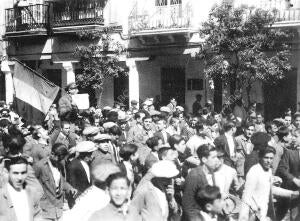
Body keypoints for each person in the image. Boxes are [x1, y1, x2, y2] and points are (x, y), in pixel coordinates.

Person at [239, 146, 299, 221]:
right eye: (266, 158)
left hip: (264, 213)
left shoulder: (268, 171)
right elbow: (246, 196)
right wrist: (243, 218)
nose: (269, 161)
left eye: (271, 158)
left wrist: (293, 193)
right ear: (260, 157)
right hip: (254, 214)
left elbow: (271, 189)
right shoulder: (254, 172)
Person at [34, 143, 77, 221]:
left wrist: (70, 188)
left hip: (58, 207)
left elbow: (62, 181)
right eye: (58, 158)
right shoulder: (40, 166)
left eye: (62, 159)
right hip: (45, 208)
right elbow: (32, 184)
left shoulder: (60, 165)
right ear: (52, 154)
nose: (59, 161)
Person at [182, 144, 220, 221]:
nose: (217, 160)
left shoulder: (211, 172)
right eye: (213, 157)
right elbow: (187, 206)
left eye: (217, 157)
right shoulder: (194, 176)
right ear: (204, 160)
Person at [0, 156, 42, 221]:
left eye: (23, 173)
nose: (20, 178)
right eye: (15, 173)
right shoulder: (2, 196)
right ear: (8, 173)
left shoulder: (32, 192)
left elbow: (38, 215)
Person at [66, 141, 97, 208]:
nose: (92, 156)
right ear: (84, 155)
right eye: (90, 154)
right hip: (79, 201)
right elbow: (72, 187)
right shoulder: (73, 166)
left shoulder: (87, 163)